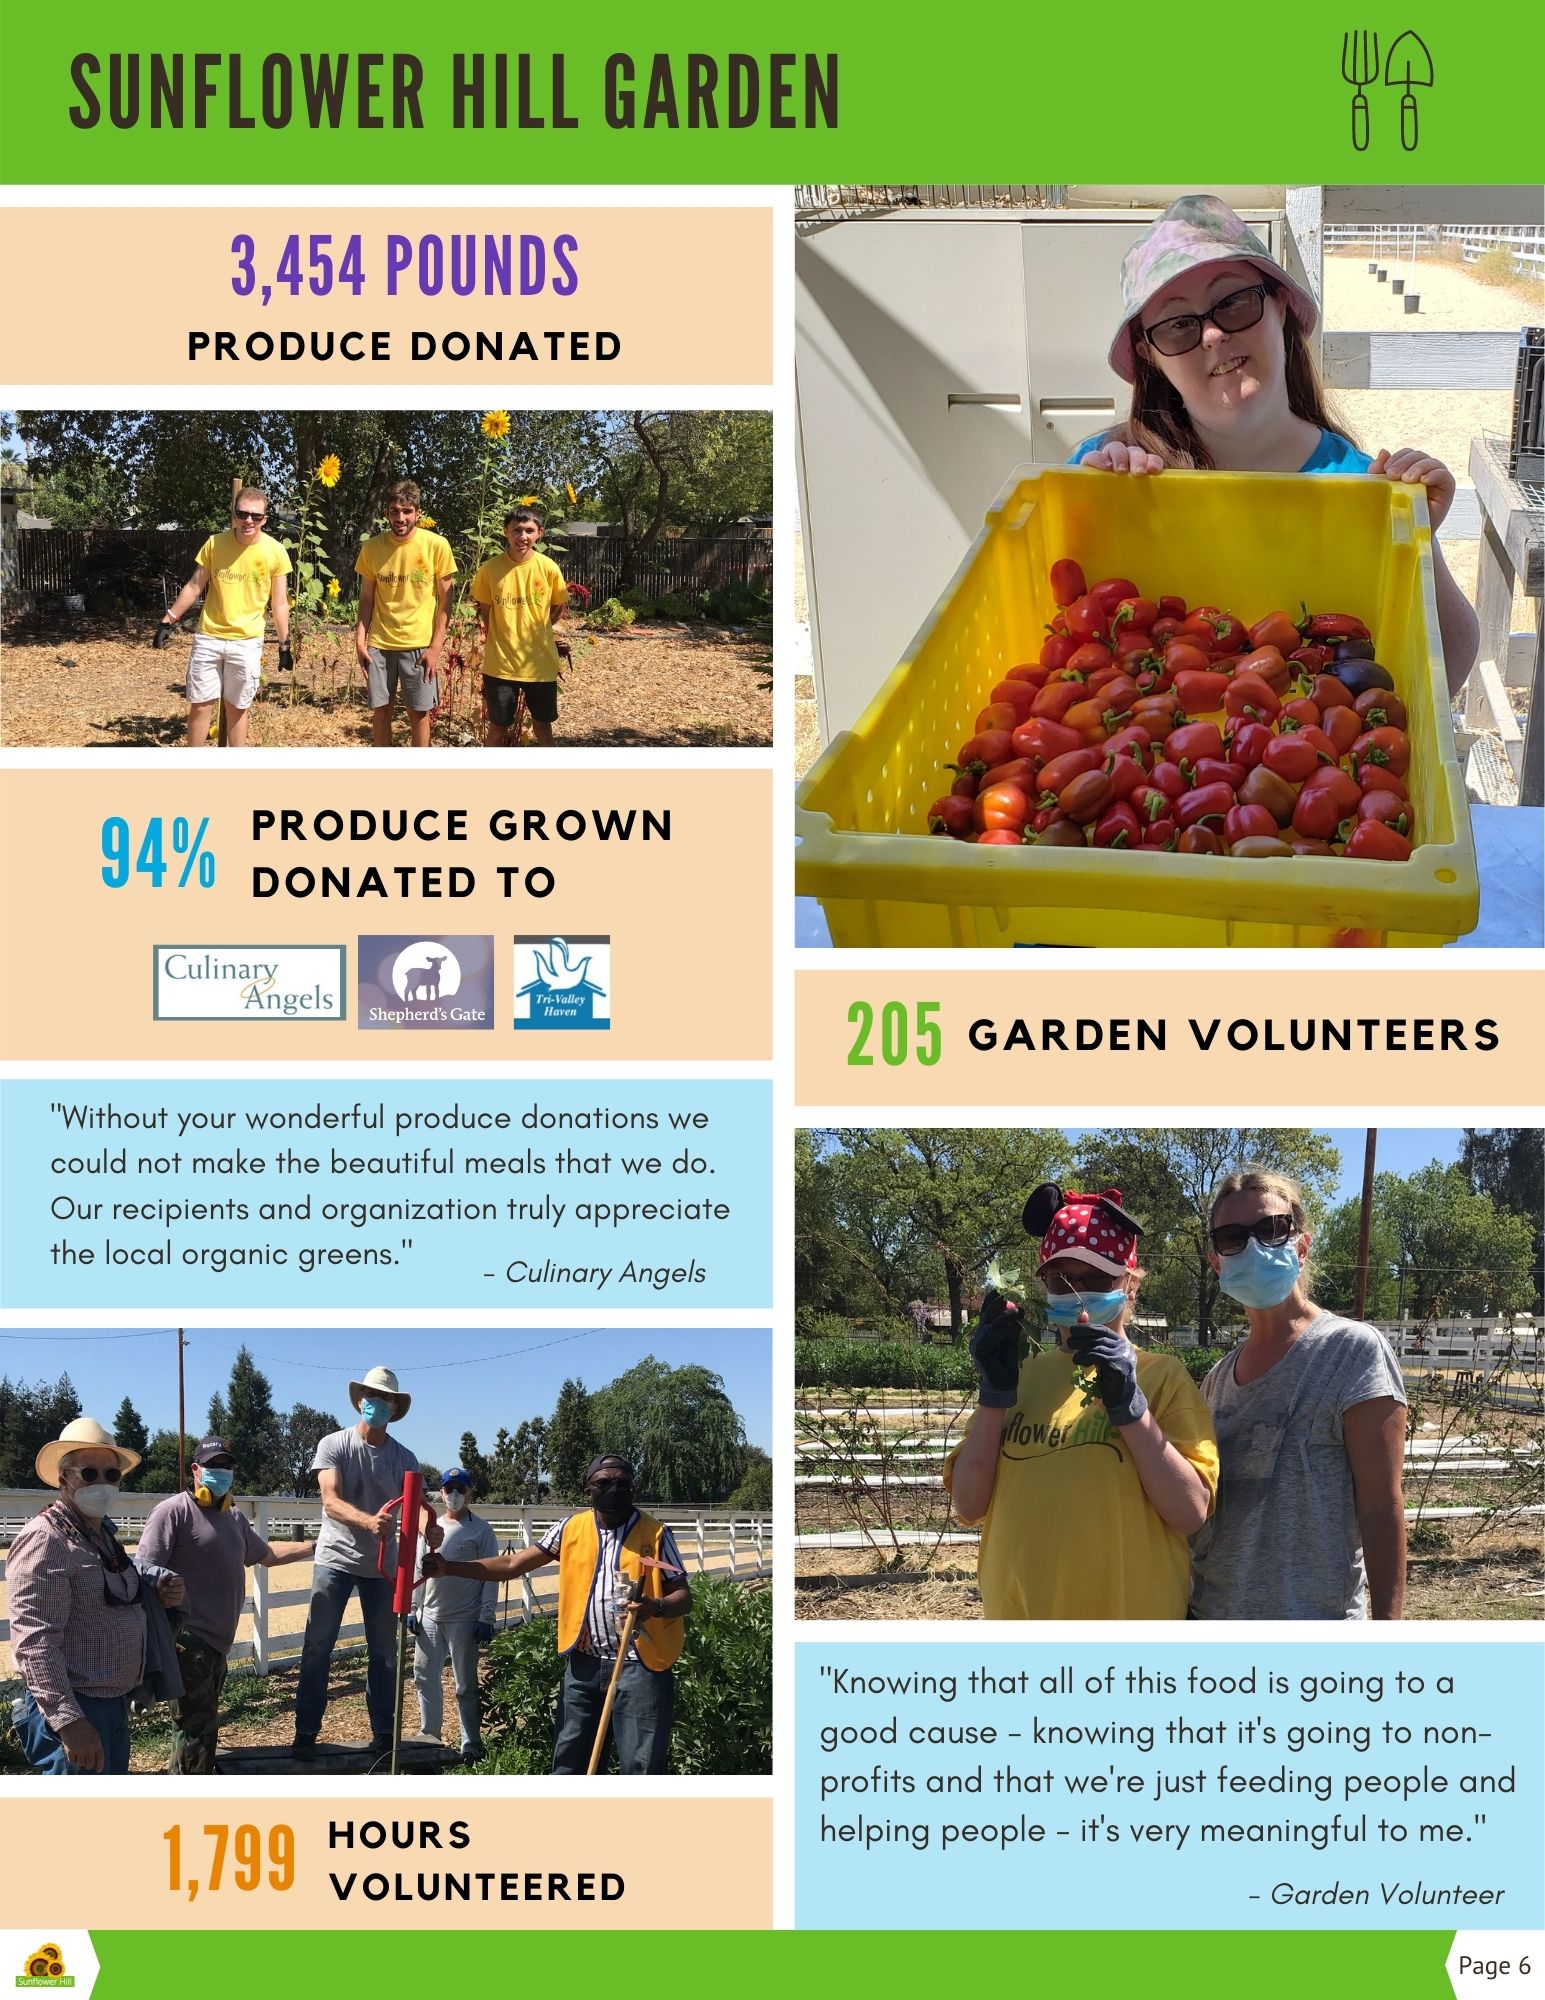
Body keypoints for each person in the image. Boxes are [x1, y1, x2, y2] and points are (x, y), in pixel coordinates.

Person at [1071, 193, 1479, 695]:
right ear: (1149, 354)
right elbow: (1071, 635)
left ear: (1280, 306)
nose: (1214, 334)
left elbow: (1448, 669)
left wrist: (1421, 541)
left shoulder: (1359, 489)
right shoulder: (1114, 470)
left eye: (1235, 301)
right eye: (1178, 324)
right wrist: (1096, 501)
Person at [946, 1186, 1219, 1620]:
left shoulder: (1162, 1377)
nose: (1078, 1293)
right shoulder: (1024, 1376)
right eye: (1063, 1279)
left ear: (1129, 1283)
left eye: (1097, 1279)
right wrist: (994, 1396)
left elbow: (1191, 1513)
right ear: (1044, 1283)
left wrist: (1132, 1410)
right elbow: (968, 1504)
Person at [1189, 1169, 1408, 1621]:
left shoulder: (1352, 1352)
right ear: (1217, 1262)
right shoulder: (1216, 1380)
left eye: (1271, 1229)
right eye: (1232, 1238)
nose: (1253, 1247)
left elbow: (1381, 1505)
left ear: (1301, 1246)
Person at [420, 1453, 691, 1774]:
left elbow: (683, 1596)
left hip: (640, 1665)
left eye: (622, 1482)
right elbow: (511, 1564)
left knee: (640, 1767)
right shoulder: (571, 1529)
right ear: (588, 1489)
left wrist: (655, 1607)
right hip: (583, 1663)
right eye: (604, 1482)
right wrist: (449, 1567)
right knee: (569, 1762)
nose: (614, 1488)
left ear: (633, 1487)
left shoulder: (656, 1534)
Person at [7, 1417, 186, 1774]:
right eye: (89, 1473)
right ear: (64, 1478)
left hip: (110, 1704)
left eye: (112, 1474)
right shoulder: (46, 1540)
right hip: (76, 1708)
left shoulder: (100, 1535)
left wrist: (155, 1591)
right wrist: (70, 1723)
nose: (103, 1484)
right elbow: (34, 1641)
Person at [135, 1435, 311, 1772]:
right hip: (189, 1641)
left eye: (226, 1466)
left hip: (217, 1644)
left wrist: (315, 1548)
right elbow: (145, 1571)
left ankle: (188, 1778)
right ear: (195, 1470)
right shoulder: (173, 1513)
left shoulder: (233, 1517)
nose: (221, 1471)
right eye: (213, 1465)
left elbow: (268, 1555)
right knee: (196, 1727)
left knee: (200, 1724)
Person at [290, 1367, 441, 1760]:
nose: (377, 1403)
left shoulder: (404, 1457)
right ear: (360, 1400)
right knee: (318, 1646)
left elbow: (416, 1507)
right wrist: (368, 1521)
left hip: (382, 1568)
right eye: (371, 1396)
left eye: (386, 1398)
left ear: (395, 1407)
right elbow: (330, 1499)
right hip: (335, 1559)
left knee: (385, 1653)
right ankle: (306, 1731)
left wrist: (431, 1529)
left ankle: (382, 1734)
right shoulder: (334, 1445)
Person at [154, 485, 292, 747]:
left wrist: (285, 644)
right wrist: (169, 618)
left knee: (238, 709)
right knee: (200, 705)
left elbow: (280, 602)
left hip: (247, 641)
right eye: (242, 514)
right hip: (210, 637)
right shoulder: (215, 543)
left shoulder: (275, 552)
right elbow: (195, 585)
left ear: (265, 519)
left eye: (256, 516)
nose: (248, 521)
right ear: (234, 514)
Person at [354, 480, 456, 747]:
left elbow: (446, 601)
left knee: (418, 713)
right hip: (380, 645)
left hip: (420, 645)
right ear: (386, 513)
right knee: (381, 711)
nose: (401, 517)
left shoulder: (436, 546)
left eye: (407, 511)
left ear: (417, 513)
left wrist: (435, 648)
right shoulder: (372, 548)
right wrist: (360, 641)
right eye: (394, 511)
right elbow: (366, 599)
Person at [408, 1467, 498, 1763]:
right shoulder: (431, 1528)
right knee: (424, 1677)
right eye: (449, 1489)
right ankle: (428, 1738)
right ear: (441, 1492)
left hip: (465, 1617)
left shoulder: (481, 1531)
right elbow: (421, 1569)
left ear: (470, 1493)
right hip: (431, 1616)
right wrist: (414, 1608)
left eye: (461, 1489)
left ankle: (471, 1744)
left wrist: (486, 1617)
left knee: (465, 1685)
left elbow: (490, 1573)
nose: (454, 1495)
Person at [471, 506, 571, 747]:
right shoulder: (489, 570)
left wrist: (540, 627)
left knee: (543, 727)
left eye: (529, 530)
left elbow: (558, 606)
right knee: (497, 728)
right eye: (516, 530)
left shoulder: (548, 568)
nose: (522, 536)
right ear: (506, 532)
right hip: (501, 666)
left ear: (539, 533)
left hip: (540, 665)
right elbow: (486, 612)